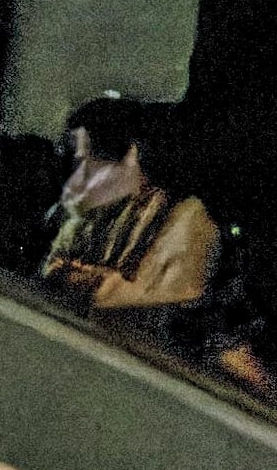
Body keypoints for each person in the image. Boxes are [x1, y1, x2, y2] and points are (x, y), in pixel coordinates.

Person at [39, 94, 219, 313]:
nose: (76, 181)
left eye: (91, 164)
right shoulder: (88, 212)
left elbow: (179, 293)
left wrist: (95, 287)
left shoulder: (190, 218)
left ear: (133, 155)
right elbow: (51, 272)